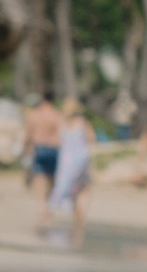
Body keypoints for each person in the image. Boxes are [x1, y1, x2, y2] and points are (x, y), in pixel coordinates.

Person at [49, 111, 95, 247]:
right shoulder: (83, 124)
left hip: (66, 167)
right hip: (82, 164)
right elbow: (92, 139)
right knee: (83, 193)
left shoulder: (63, 126)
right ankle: (80, 227)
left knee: (72, 194)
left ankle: (76, 225)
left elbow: (57, 142)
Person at [21, 92, 64, 228]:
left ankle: (41, 207)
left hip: (39, 148)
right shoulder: (57, 115)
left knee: (39, 178)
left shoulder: (35, 115)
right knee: (51, 179)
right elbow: (63, 134)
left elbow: (28, 134)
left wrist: (26, 148)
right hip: (54, 149)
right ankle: (48, 206)